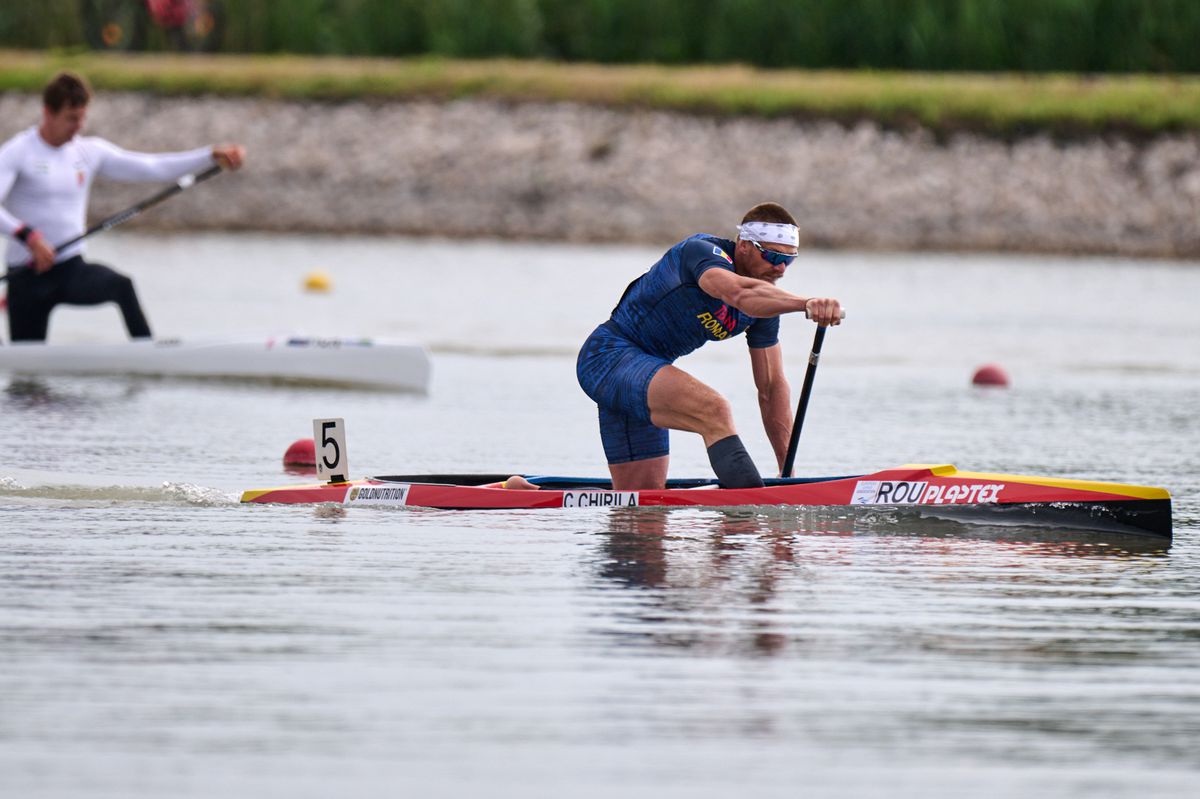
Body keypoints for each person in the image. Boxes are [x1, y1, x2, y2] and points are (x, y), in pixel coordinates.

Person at [574, 202, 842, 490]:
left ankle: (524, 493)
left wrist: (786, 471)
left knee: (640, 504)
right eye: (772, 256)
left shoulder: (765, 307)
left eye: (788, 260)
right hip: (609, 358)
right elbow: (739, 293)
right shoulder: (700, 253)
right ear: (743, 245)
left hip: (643, 377)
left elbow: (771, 388)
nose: (780, 268)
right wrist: (805, 303)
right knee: (713, 410)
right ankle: (747, 510)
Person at [0, 71, 245, 343]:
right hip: (27, 277)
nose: (78, 126)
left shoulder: (89, 152)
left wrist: (208, 155)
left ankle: (148, 354)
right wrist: (28, 236)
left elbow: (153, 167)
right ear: (48, 113)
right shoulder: (19, 151)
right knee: (26, 375)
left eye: (82, 117)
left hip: (71, 269)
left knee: (121, 286)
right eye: (71, 118)